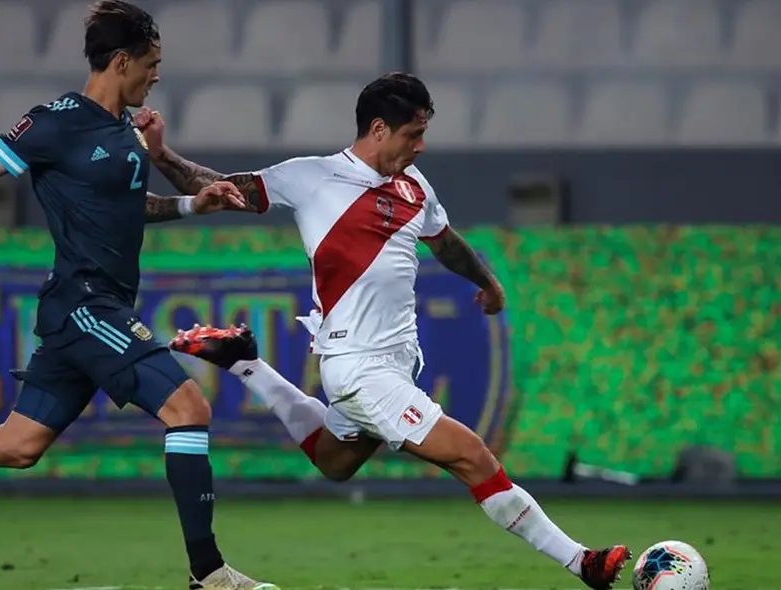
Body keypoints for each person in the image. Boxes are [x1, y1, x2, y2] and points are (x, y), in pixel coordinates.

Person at [0, 3, 275, 589]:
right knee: (189, 409)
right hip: (86, 304)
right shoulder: (55, 122)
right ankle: (209, 574)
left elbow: (128, 210)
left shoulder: (125, 134)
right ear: (121, 61)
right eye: (152, 63)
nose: (157, 75)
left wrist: (192, 203)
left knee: (18, 445)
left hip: (89, 310)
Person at [135, 72, 630, 590]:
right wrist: (164, 156)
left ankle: (245, 362)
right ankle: (583, 562)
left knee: (335, 461)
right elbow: (219, 189)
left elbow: (444, 241)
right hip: (358, 368)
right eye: (412, 135)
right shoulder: (313, 177)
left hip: (395, 365)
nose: (420, 146)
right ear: (377, 128)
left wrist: (487, 282)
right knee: (472, 457)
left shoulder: (415, 187)